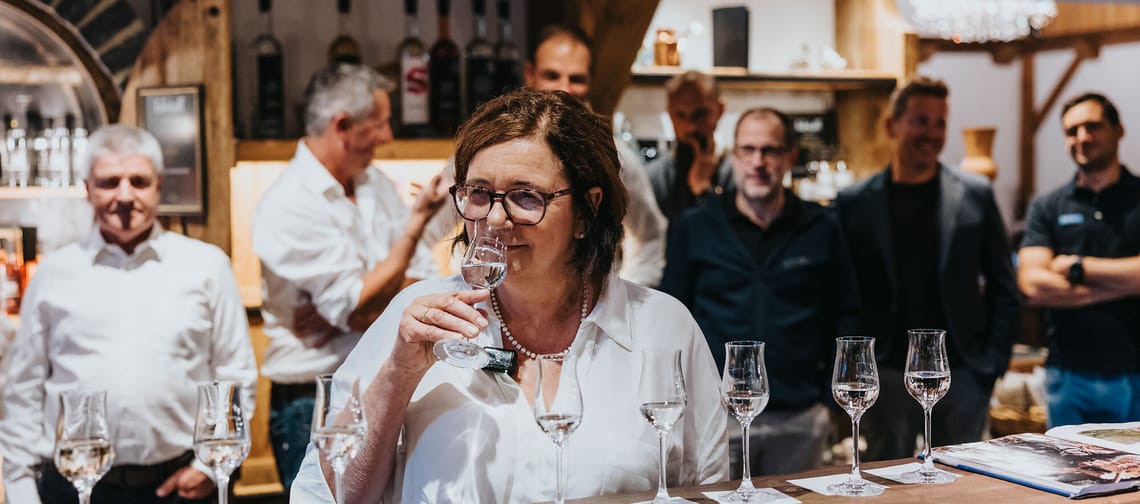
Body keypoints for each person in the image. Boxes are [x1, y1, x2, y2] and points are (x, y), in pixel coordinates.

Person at [291, 88, 728, 502]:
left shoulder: (662, 328)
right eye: (479, 193)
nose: (496, 219)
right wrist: (398, 374)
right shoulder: (417, 319)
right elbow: (334, 495)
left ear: (587, 210)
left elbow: (712, 489)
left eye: (525, 196)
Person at [0, 124, 257, 504]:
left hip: (178, 486)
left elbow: (235, 375)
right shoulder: (54, 273)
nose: (124, 195)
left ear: (159, 186)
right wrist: (21, 489)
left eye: (138, 181)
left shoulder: (205, 266)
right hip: (72, 487)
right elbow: (22, 390)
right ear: (87, 188)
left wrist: (208, 467)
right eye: (109, 182)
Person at [251, 64, 449, 488]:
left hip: (383, 383)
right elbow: (356, 308)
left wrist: (373, 300)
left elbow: (423, 282)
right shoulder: (288, 203)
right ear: (342, 125)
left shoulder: (375, 183)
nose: (388, 137)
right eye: (380, 124)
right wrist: (413, 230)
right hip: (313, 398)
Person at [661, 108, 860, 475]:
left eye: (770, 150)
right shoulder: (695, 227)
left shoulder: (822, 227)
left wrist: (827, 403)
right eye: (747, 150)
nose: (758, 162)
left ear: (790, 158)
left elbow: (846, 314)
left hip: (799, 416)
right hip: (716, 418)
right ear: (733, 156)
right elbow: (671, 320)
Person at [833, 76, 1019, 461]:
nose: (931, 133)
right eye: (921, 121)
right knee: (885, 482)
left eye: (939, 123)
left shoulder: (974, 194)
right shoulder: (854, 203)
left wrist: (991, 366)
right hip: (884, 371)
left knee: (964, 482)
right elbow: (838, 291)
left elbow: (1004, 285)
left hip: (963, 371)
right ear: (892, 125)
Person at [422, 24, 668, 288]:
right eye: (552, 75)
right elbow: (423, 233)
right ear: (530, 73)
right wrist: (444, 294)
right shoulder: (487, 151)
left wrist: (622, 297)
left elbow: (649, 235)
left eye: (576, 79)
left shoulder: (613, 156)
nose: (564, 88)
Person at [1018, 92, 1140, 427]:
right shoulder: (1048, 206)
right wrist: (1126, 285)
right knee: (1065, 476)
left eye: (1093, 126)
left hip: (1135, 372)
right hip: (1068, 373)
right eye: (1072, 131)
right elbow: (1032, 284)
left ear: (1119, 130)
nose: (1082, 137)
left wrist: (1076, 267)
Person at [646, 70, 734, 223]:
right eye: (681, 115)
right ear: (669, 113)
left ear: (720, 110)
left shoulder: (742, 174)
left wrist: (703, 189)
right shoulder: (653, 178)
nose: (690, 127)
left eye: (701, 114)